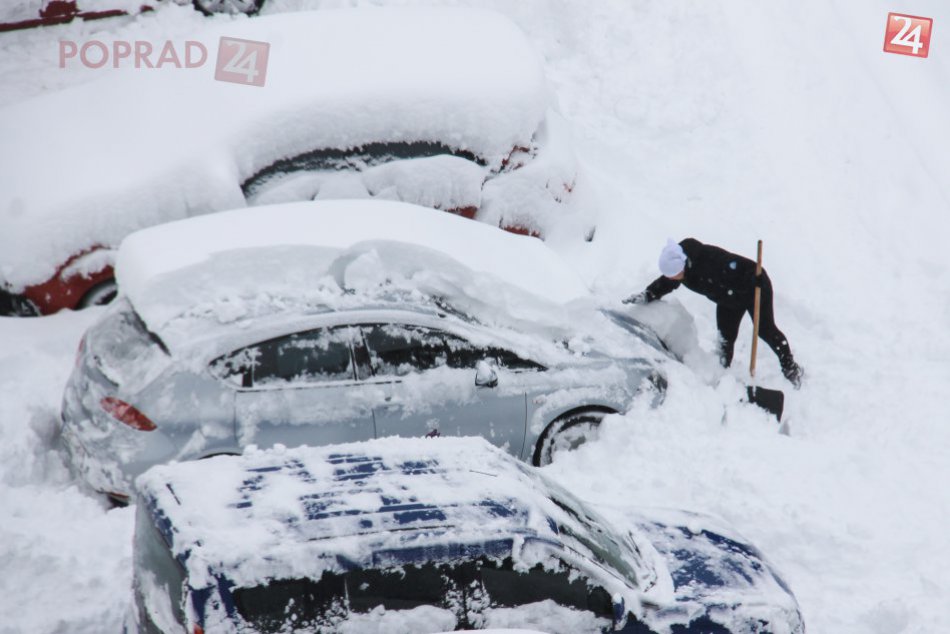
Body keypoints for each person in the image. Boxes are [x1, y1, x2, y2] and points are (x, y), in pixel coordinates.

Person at [625, 238, 803, 388]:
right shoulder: (681, 268)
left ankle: (791, 367)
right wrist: (648, 294)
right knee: (725, 340)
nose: (670, 278)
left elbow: (742, 266)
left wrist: (752, 278)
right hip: (727, 299)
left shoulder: (708, 260)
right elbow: (666, 283)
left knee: (765, 330)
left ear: (681, 266)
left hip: (753, 288)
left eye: (673, 274)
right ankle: (722, 379)